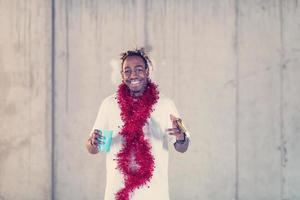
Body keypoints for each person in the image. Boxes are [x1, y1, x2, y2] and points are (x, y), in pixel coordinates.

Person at [85, 48, 190, 200]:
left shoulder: (165, 104)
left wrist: (181, 137)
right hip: (118, 192)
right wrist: (93, 143)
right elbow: (93, 149)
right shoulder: (109, 104)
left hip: (155, 194)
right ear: (122, 75)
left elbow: (182, 148)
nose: (133, 75)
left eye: (139, 69)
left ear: (147, 72)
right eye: (127, 71)